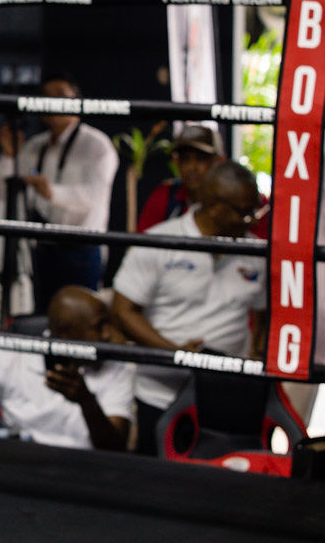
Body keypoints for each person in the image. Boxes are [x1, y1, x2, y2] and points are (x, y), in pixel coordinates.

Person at [110, 159, 268, 456]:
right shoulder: (160, 241)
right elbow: (122, 310)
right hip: (160, 394)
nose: (252, 221)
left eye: (255, 210)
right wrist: (174, 353)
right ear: (212, 204)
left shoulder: (255, 250)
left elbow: (261, 316)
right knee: (159, 488)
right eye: (242, 211)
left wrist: (255, 359)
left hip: (227, 395)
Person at [0, 73, 118, 314]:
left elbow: (94, 197)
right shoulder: (35, 146)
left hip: (81, 249)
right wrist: (9, 156)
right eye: (47, 96)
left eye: (60, 95)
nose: (52, 101)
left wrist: (52, 192)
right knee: (44, 316)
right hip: (43, 250)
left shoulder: (97, 145)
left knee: (80, 319)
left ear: (77, 100)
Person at [0, 286, 134, 451]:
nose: (107, 335)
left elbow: (116, 448)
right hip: (21, 459)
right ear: (65, 333)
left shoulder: (115, 366)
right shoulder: (12, 356)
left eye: (108, 324)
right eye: (98, 327)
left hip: (84, 466)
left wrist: (87, 402)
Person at [136, 124, 224, 232]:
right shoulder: (164, 197)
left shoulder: (233, 203)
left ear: (219, 161)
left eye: (201, 159)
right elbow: (142, 245)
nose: (192, 167)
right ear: (176, 162)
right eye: (185, 159)